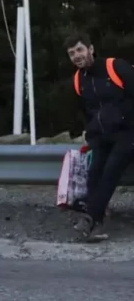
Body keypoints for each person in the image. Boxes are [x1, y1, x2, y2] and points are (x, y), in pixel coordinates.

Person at [65, 32, 134, 240]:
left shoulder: (115, 67)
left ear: (91, 49)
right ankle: (97, 223)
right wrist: (91, 136)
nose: (76, 56)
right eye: (71, 53)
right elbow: (86, 113)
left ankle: (89, 220)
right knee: (94, 173)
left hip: (127, 133)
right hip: (102, 137)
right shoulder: (78, 80)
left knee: (110, 172)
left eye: (79, 50)